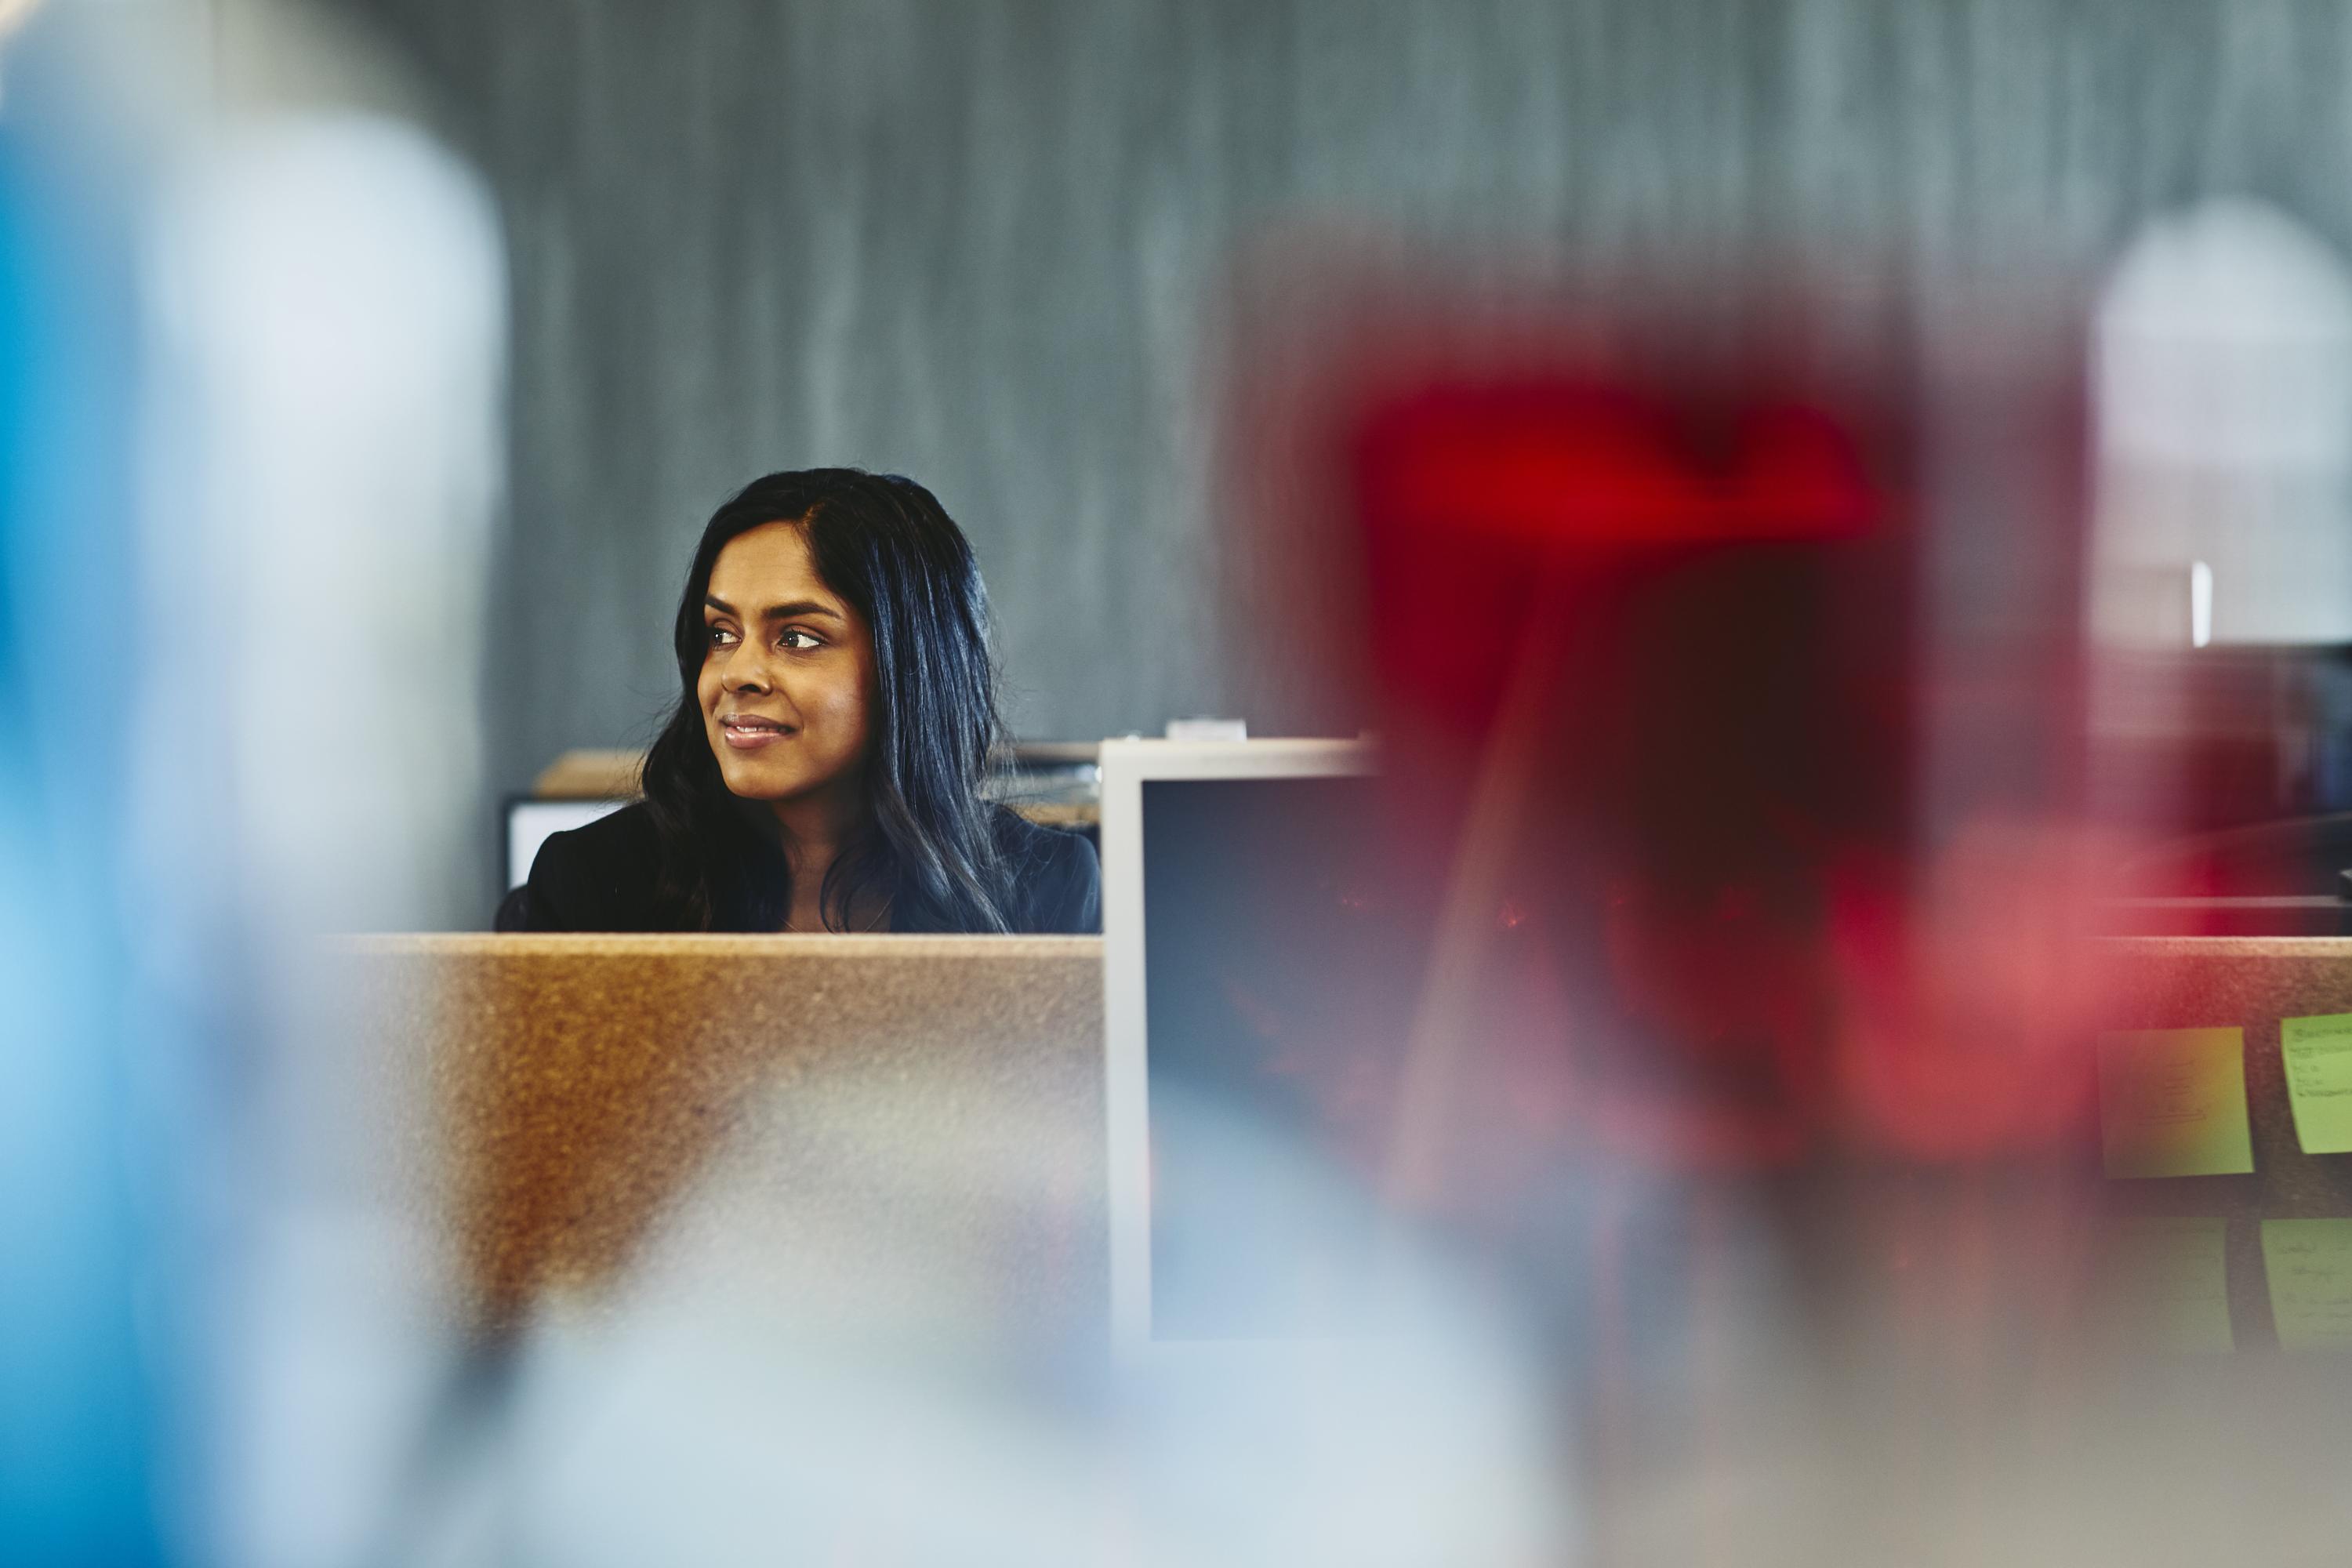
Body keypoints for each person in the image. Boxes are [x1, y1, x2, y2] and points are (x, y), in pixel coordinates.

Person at [503, 469, 1099, 933]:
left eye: (797, 638)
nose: (737, 674)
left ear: (910, 666)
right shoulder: (595, 882)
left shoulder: (1039, 887)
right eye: (721, 635)